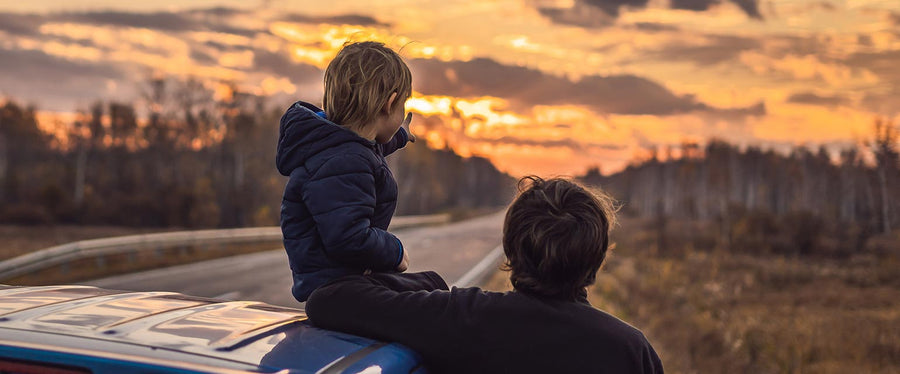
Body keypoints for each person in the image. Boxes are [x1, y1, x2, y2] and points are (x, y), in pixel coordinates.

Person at [306, 176, 664, 373]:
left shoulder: (465, 317)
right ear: (597, 258)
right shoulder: (630, 351)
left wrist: (430, 284)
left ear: (510, 248)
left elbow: (328, 299)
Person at [276, 41, 415, 303]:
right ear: (390, 103)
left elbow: (372, 153)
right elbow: (348, 237)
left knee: (430, 286)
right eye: (403, 105)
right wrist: (394, 250)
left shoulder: (343, 151)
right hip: (335, 292)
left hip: (343, 282)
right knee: (431, 302)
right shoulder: (344, 160)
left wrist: (401, 136)